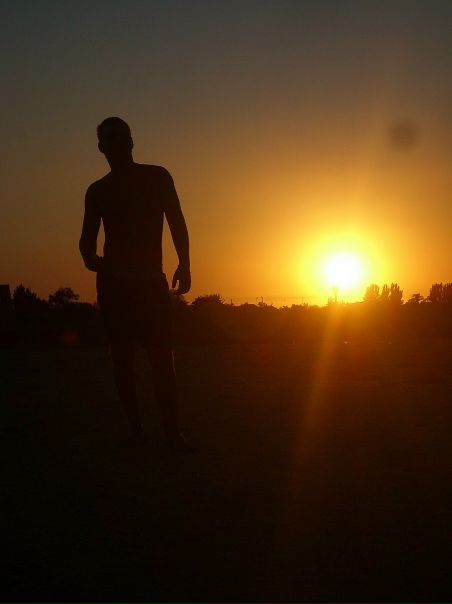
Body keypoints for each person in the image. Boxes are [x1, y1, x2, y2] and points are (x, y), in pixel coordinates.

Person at [79, 117, 192, 450]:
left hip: (150, 283)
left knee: (162, 360)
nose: (117, 145)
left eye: (121, 138)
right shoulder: (98, 191)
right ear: (102, 147)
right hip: (116, 286)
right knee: (123, 361)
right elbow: (86, 241)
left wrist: (185, 263)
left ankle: (171, 433)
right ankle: (137, 432)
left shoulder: (157, 177)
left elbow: (177, 222)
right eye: (110, 140)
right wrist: (93, 260)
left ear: (131, 141)